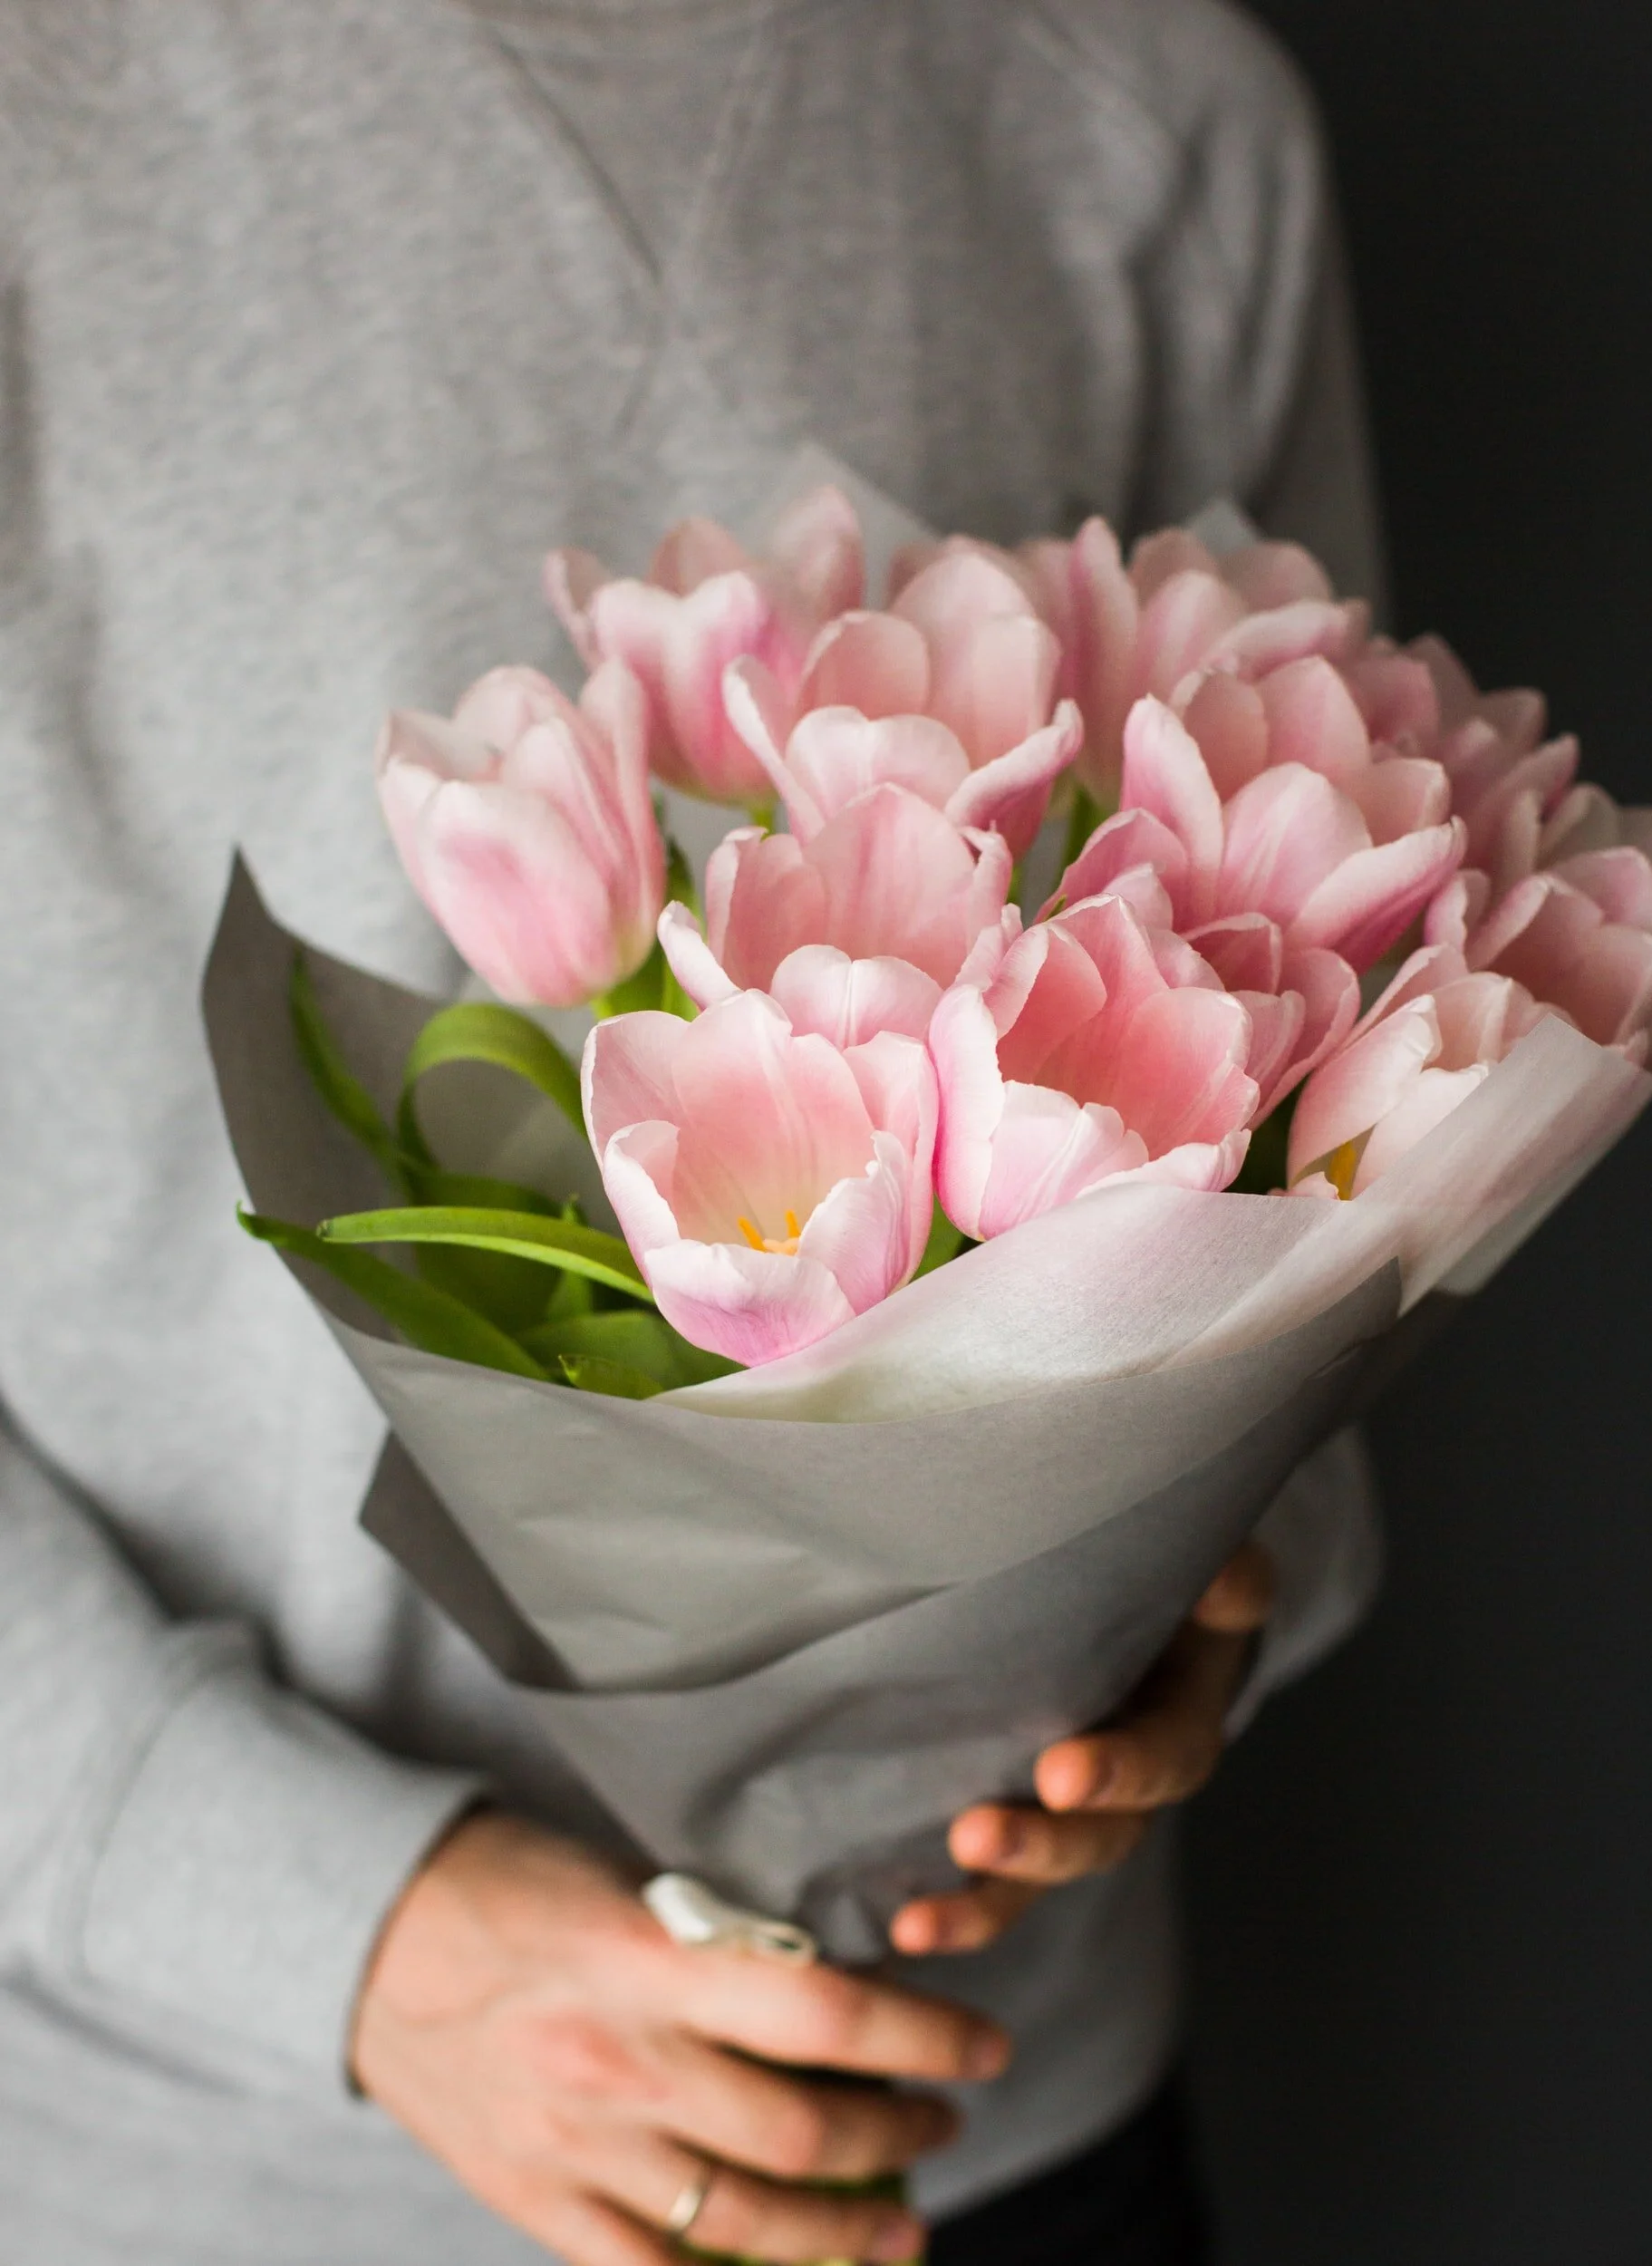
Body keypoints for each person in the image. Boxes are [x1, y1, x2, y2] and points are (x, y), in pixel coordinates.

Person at [0, 3, 1384, 2261]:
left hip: (1006, 2115)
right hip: (210, 2160)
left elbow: (1344, 1069)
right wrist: (347, 1926)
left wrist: (1217, 1565)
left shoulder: (1150, 116)